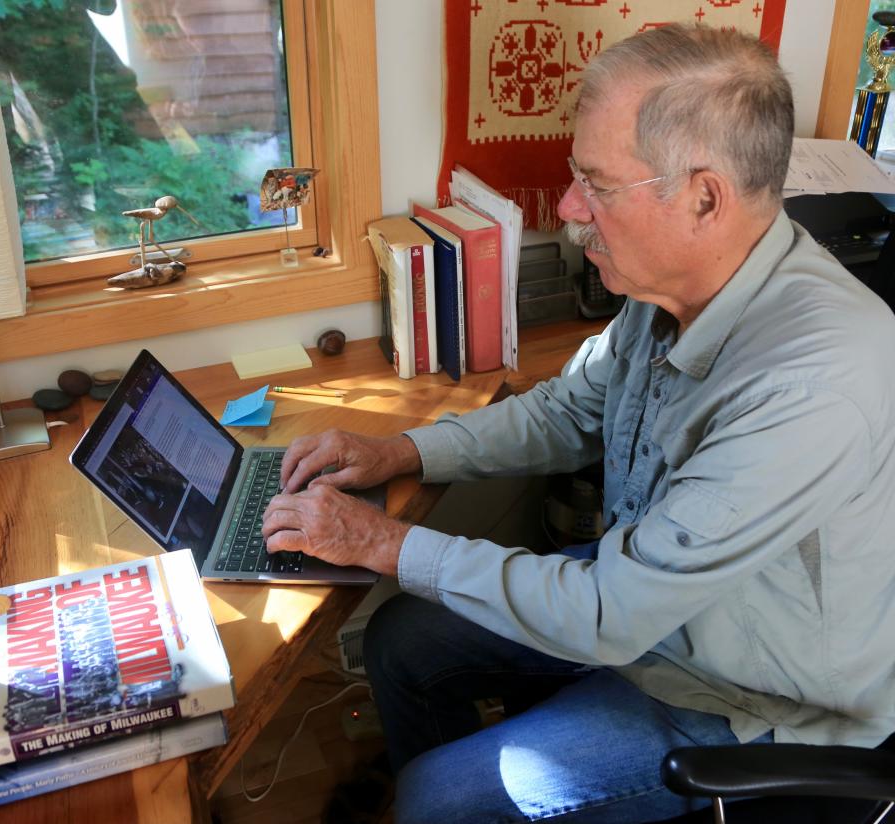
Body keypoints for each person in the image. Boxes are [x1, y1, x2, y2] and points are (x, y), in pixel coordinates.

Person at [262, 23, 895, 824]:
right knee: (402, 641)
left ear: (704, 197)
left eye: (596, 183)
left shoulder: (811, 384)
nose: (566, 209)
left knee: (435, 798)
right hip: (663, 609)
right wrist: (396, 449)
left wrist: (381, 543)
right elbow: (568, 409)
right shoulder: (670, 292)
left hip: (748, 698)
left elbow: (609, 613)